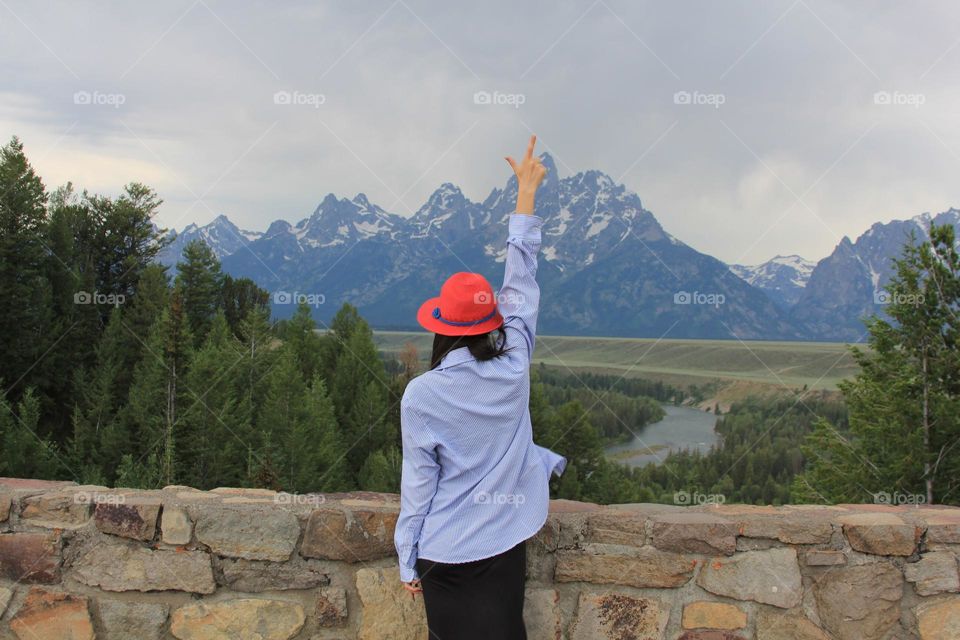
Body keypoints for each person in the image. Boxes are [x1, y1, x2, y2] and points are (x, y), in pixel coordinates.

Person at [393, 134, 567, 639]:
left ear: (441, 327)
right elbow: (521, 280)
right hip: (501, 545)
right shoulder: (514, 363)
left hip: (442, 552)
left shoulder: (422, 396)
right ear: (492, 323)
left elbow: (419, 484)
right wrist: (526, 195)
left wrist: (408, 558)